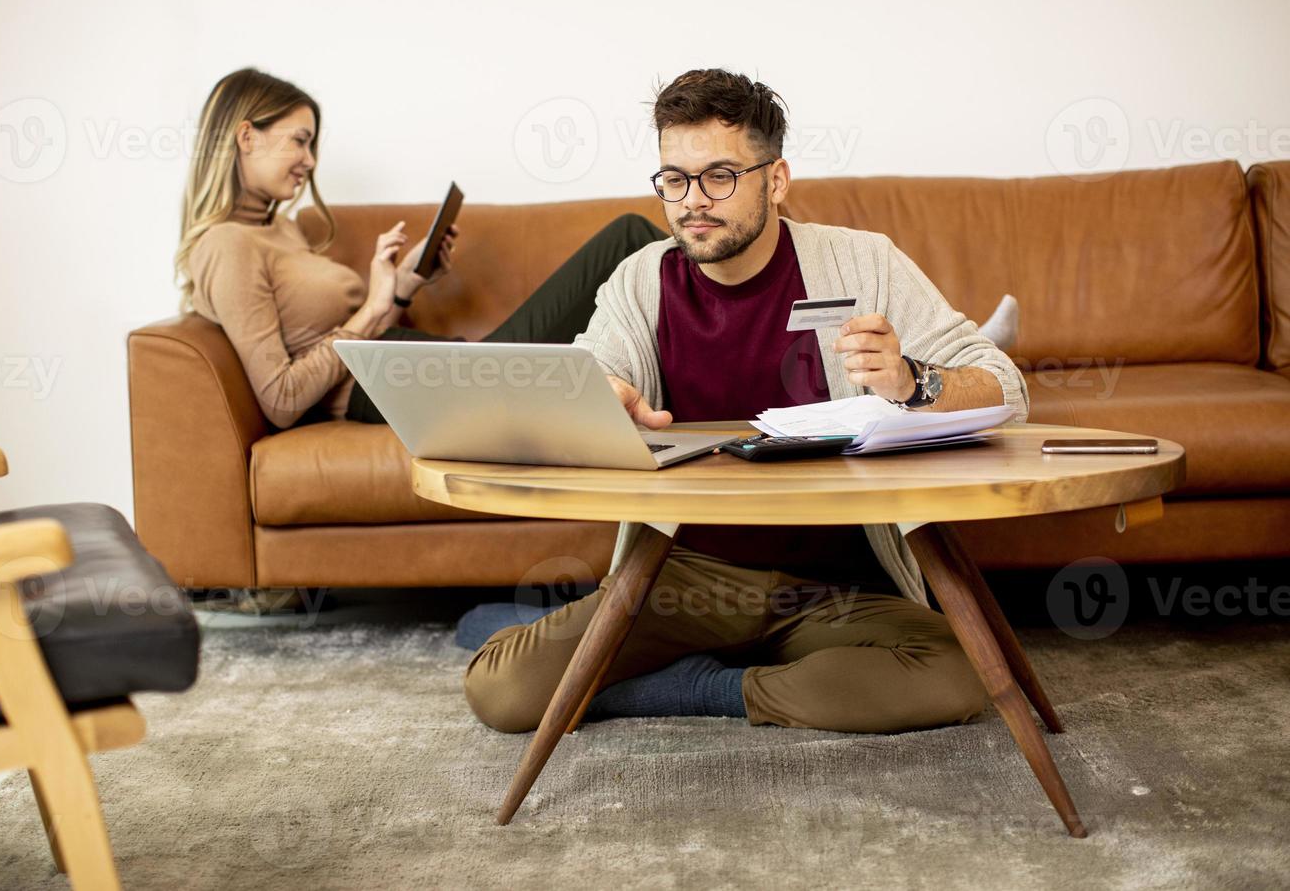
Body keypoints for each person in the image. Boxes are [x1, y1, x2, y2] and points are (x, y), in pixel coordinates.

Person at [460, 68, 1031, 735]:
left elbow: (1005, 387)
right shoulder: (641, 279)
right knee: (501, 694)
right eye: (675, 179)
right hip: (689, 579)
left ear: (777, 180)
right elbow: (599, 370)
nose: (693, 201)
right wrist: (603, 399)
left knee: (965, 673)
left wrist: (911, 380)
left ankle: (693, 688)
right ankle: (616, 653)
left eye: (720, 176)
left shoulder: (864, 262)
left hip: (834, 591)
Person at [176, 67, 665, 429]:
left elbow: (344, 337)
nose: (310, 160)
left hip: (404, 364)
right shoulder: (226, 246)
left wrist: (402, 289)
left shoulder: (281, 229)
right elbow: (281, 400)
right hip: (390, 385)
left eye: (312, 145)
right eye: (299, 141)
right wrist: (371, 311)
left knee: (630, 259)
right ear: (246, 137)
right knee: (625, 239)